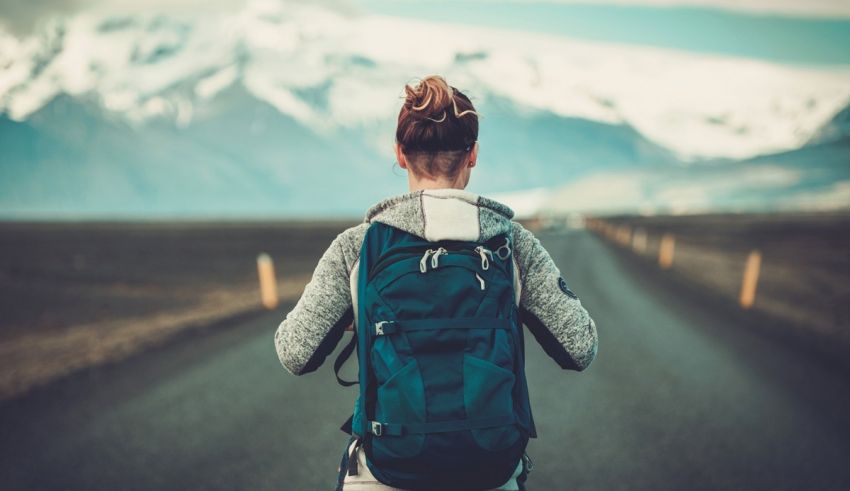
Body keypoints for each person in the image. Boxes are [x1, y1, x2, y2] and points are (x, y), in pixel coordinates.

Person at [274, 75, 599, 490]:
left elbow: (295, 352)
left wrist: (362, 309)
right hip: (489, 472)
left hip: (389, 472)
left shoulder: (358, 247)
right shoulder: (514, 245)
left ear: (400, 154)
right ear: (473, 155)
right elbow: (580, 347)